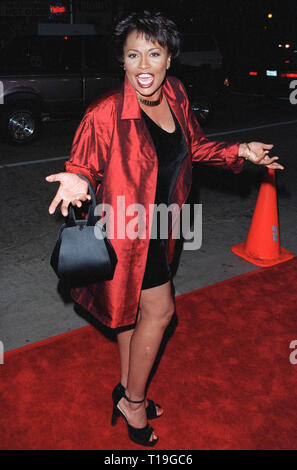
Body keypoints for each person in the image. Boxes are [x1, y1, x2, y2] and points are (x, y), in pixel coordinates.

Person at [46, 11, 284, 447]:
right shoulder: (106, 111)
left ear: (170, 59)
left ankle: (124, 385)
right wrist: (79, 177)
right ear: (121, 60)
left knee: (132, 315)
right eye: (132, 55)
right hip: (124, 233)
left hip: (164, 224)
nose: (143, 66)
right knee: (161, 312)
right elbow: (84, 162)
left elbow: (196, 147)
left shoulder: (175, 93)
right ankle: (133, 402)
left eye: (153, 54)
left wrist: (241, 151)